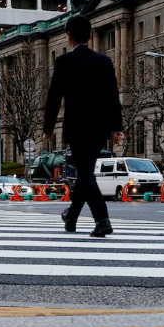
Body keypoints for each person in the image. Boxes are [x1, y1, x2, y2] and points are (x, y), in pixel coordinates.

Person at [42, 15, 124, 238]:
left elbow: (54, 97)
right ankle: (72, 215)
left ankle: (102, 219)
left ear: (68, 36)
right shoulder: (104, 61)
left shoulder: (64, 61)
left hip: (76, 127)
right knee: (85, 173)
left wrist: (48, 128)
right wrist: (116, 128)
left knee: (85, 173)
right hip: (99, 128)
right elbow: (112, 97)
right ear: (90, 35)